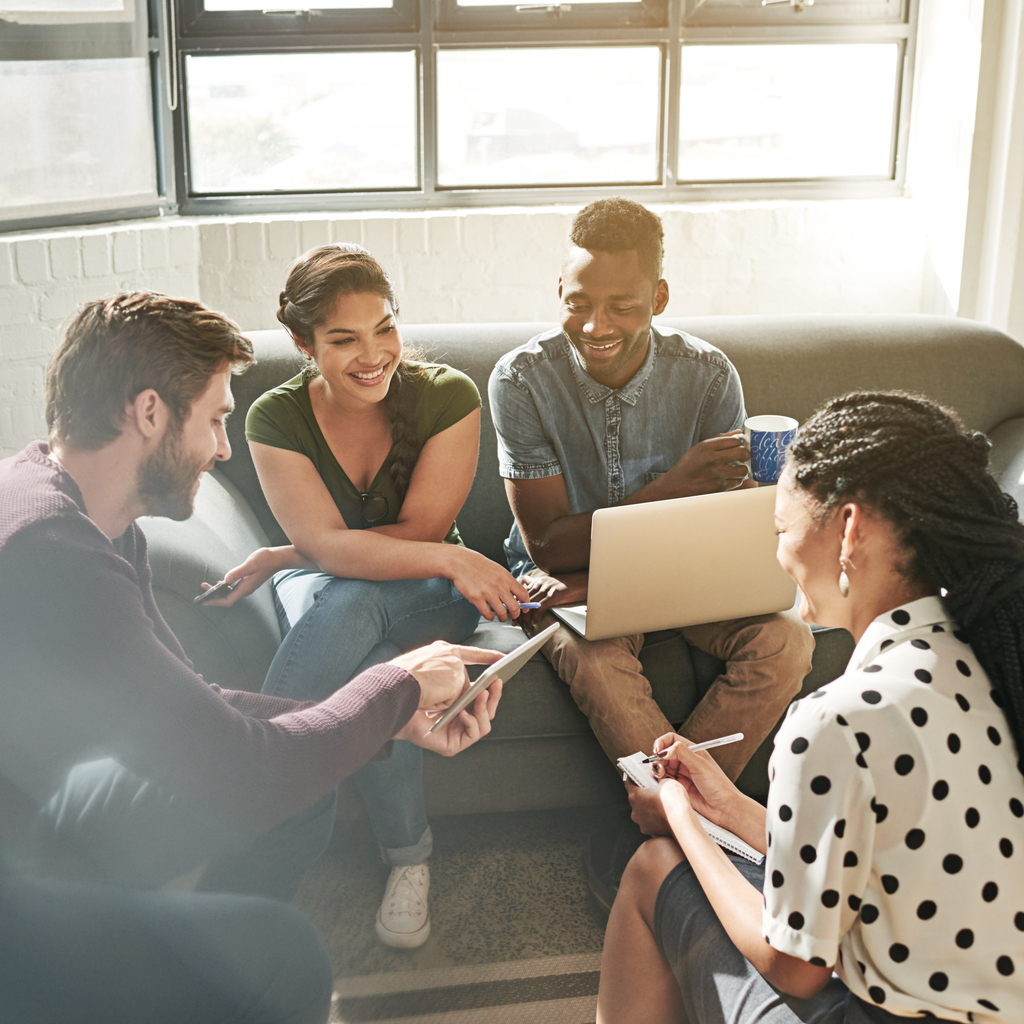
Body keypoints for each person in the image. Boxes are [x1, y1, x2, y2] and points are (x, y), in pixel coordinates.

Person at [0, 291, 504, 1024]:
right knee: (284, 954)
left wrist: (387, 720)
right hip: (15, 873)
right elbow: (246, 772)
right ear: (150, 413)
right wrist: (395, 685)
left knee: (306, 789)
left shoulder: (82, 515)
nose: (224, 448)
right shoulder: (53, 553)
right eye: (214, 419)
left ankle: (182, 979)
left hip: (38, 813)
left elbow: (200, 709)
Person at [598, 390, 1024, 1024]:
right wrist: (729, 809)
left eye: (781, 530)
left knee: (655, 866)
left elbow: (794, 965)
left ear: (849, 531)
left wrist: (680, 815)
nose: (778, 553)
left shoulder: (837, 718)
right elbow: (886, 854)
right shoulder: (997, 660)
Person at [487, 197, 814, 909]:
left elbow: (724, 519)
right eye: (579, 303)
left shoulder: (708, 374)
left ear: (659, 298)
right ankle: (696, 840)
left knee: (787, 641)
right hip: (565, 579)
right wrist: (672, 486)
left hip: (682, 573)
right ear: (560, 291)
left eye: (622, 306)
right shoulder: (521, 380)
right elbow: (549, 543)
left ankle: (657, 830)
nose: (595, 325)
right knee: (597, 658)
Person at [207, 245, 530, 948]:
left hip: (426, 589)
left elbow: (414, 536)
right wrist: (446, 553)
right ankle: (410, 857)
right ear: (304, 345)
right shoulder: (274, 417)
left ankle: (258, 797)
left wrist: (302, 551)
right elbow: (334, 551)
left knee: (358, 606)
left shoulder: (448, 396)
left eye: (384, 328)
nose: (373, 354)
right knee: (375, 661)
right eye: (344, 339)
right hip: (348, 583)